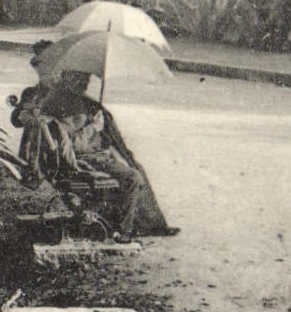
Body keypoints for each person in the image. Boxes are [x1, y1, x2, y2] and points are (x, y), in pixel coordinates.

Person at [12, 68, 174, 239]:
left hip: (97, 155)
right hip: (85, 160)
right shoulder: (60, 105)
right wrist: (94, 127)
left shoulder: (70, 100)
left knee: (134, 167)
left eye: (87, 79)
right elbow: (71, 145)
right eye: (80, 79)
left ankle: (138, 223)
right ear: (67, 77)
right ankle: (123, 231)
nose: (86, 83)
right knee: (133, 176)